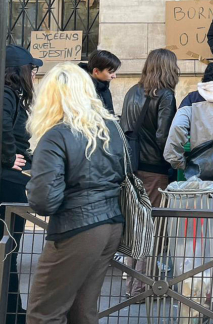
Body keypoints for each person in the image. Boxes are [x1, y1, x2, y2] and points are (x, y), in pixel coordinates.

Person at [25, 63, 126, 324]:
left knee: (44, 313)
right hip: (111, 223)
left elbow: (44, 200)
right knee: (83, 312)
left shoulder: (56, 136)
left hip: (77, 227)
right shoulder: (110, 128)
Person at [120, 48, 180, 298]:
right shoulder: (165, 95)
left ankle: (133, 285)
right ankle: (141, 288)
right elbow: (163, 136)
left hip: (131, 168)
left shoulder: (132, 91)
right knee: (152, 231)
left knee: (136, 227)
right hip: (154, 170)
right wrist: (178, 160)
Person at [164, 62, 213, 207]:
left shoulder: (191, 99)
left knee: (201, 222)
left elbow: (177, 128)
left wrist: (178, 162)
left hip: (197, 172)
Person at [2, 46, 40, 323]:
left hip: (10, 179)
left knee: (8, 253)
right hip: (7, 183)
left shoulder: (10, 95)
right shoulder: (6, 94)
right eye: (33, 69)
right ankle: (11, 313)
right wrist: (6, 157)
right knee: (7, 252)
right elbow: (3, 125)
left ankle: (13, 310)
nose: (35, 75)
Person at [79, 49, 120, 114]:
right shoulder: (79, 89)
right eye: (110, 72)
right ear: (96, 71)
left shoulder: (104, 86)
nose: (114, 76)